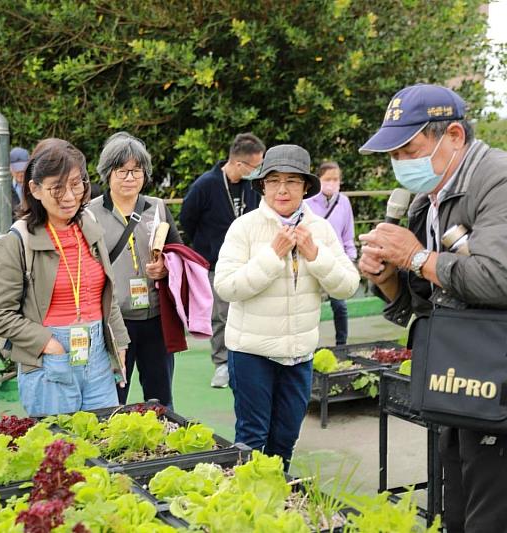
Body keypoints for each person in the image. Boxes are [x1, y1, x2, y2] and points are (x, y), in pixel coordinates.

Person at [357, 83, 507, 532]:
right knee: (456, 508)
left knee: (492, 512)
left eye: (410, 150)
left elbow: (499, 278)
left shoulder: (497, 179)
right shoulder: (429, 197)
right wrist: (387, 278)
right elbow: (429, 297)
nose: (402, 164)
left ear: (455, 136)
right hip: (461, 376)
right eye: (395, 154)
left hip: (496, 377)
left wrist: (417, 257)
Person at [214, 144, 359, 469]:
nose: (282, 189)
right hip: (251, 352)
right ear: (262, 185)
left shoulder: (320, 230)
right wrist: (272, 254)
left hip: (299, 354)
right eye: (274, 180)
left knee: (285, 438)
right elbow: (226, 286)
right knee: (252, 438)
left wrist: (315, 255)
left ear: (306, 187)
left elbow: (347, 285)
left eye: (292, 181)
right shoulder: (245, 228)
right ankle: (246, 507)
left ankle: (277, 505)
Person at [0, 138, 130, 417]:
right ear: (35, 189)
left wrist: (119, 342)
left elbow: (105, 294)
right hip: (49, 359)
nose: (69, 196)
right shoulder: (17, 241)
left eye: (77, 184)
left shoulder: (89, 226)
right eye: (57, 188)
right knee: (60, 450)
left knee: (105, 445)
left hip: (97, 356)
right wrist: (48, 344)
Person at [89, 132, 182, 409]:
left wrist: (166, 268)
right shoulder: (90, 213)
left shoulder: (158, 208)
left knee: (161, 399)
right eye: (122, 170)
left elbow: (179, 254)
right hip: (115, 323)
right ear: (108, 173)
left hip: (156, 318)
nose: (130, 177)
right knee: (113, 398)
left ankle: (162, 450)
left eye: (136, 170)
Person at [179, 133, 266, 388]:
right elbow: (187, 219)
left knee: (250, 311)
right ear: (240, 164)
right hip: (215, 263)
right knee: (221, 315)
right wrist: (207, 246)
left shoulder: (253, 185)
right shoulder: (206, 185)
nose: (259, 171)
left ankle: (250, 362)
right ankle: (222, 364)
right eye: (256, 165)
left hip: (250, 262)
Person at [305, 161, 357, 345]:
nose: (332, 183)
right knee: (309, 306)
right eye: (328, 179)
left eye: (336, 179)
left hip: (336, 261)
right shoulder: (306, 203)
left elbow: (348, 235)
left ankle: (341, 344)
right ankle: (308, 346)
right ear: (318, 179)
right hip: (311, 259)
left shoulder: (343, 202)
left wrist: (351, 258)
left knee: (339, 305)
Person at [10, 147, 29, 219]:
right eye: (17, 169)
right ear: (10, 168)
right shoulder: (4, 189)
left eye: (23, 169)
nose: (21, 173)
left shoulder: (35, 186)